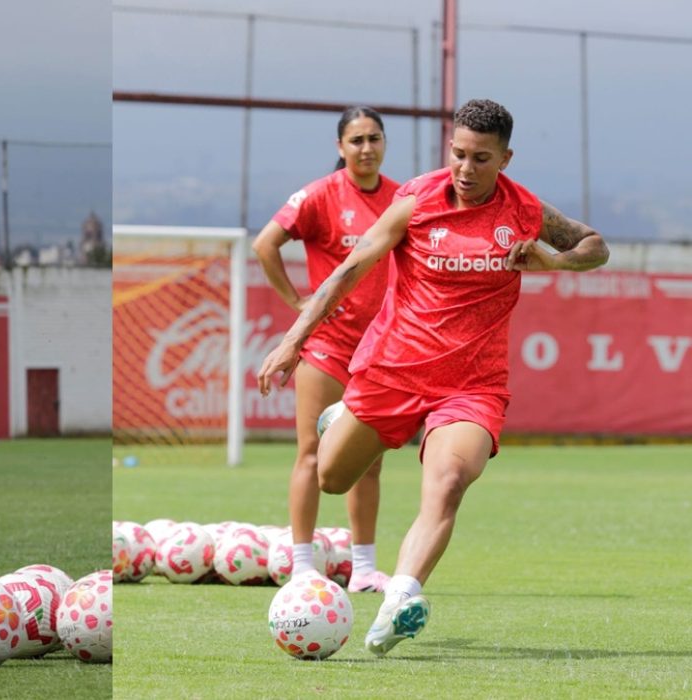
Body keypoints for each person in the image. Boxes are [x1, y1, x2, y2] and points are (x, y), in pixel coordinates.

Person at [257, 98, 609, 656]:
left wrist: (556, 261)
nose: (466, 169)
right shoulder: (416, 200)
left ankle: (401, 597)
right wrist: (293, 340)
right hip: (393, 371)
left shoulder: (526, 210)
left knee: (446, 483)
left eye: (481, 158)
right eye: (459, 154)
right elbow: (351, 269)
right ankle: (342, 420)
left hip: (472, 385)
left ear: (506, 159)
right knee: (331, 478)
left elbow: (596, 246)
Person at [252, 106, 396, 592]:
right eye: (356, 140)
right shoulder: (320, 195)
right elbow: (265, 245)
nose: (366, 148)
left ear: (384, 143)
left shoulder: (401, 199)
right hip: (328, 349)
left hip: (378, 352)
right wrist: (298, 303)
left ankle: (364, 568)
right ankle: (302, 564)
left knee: (369, 463)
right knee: (312, 455)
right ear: (341, 147)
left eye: (374, 138)